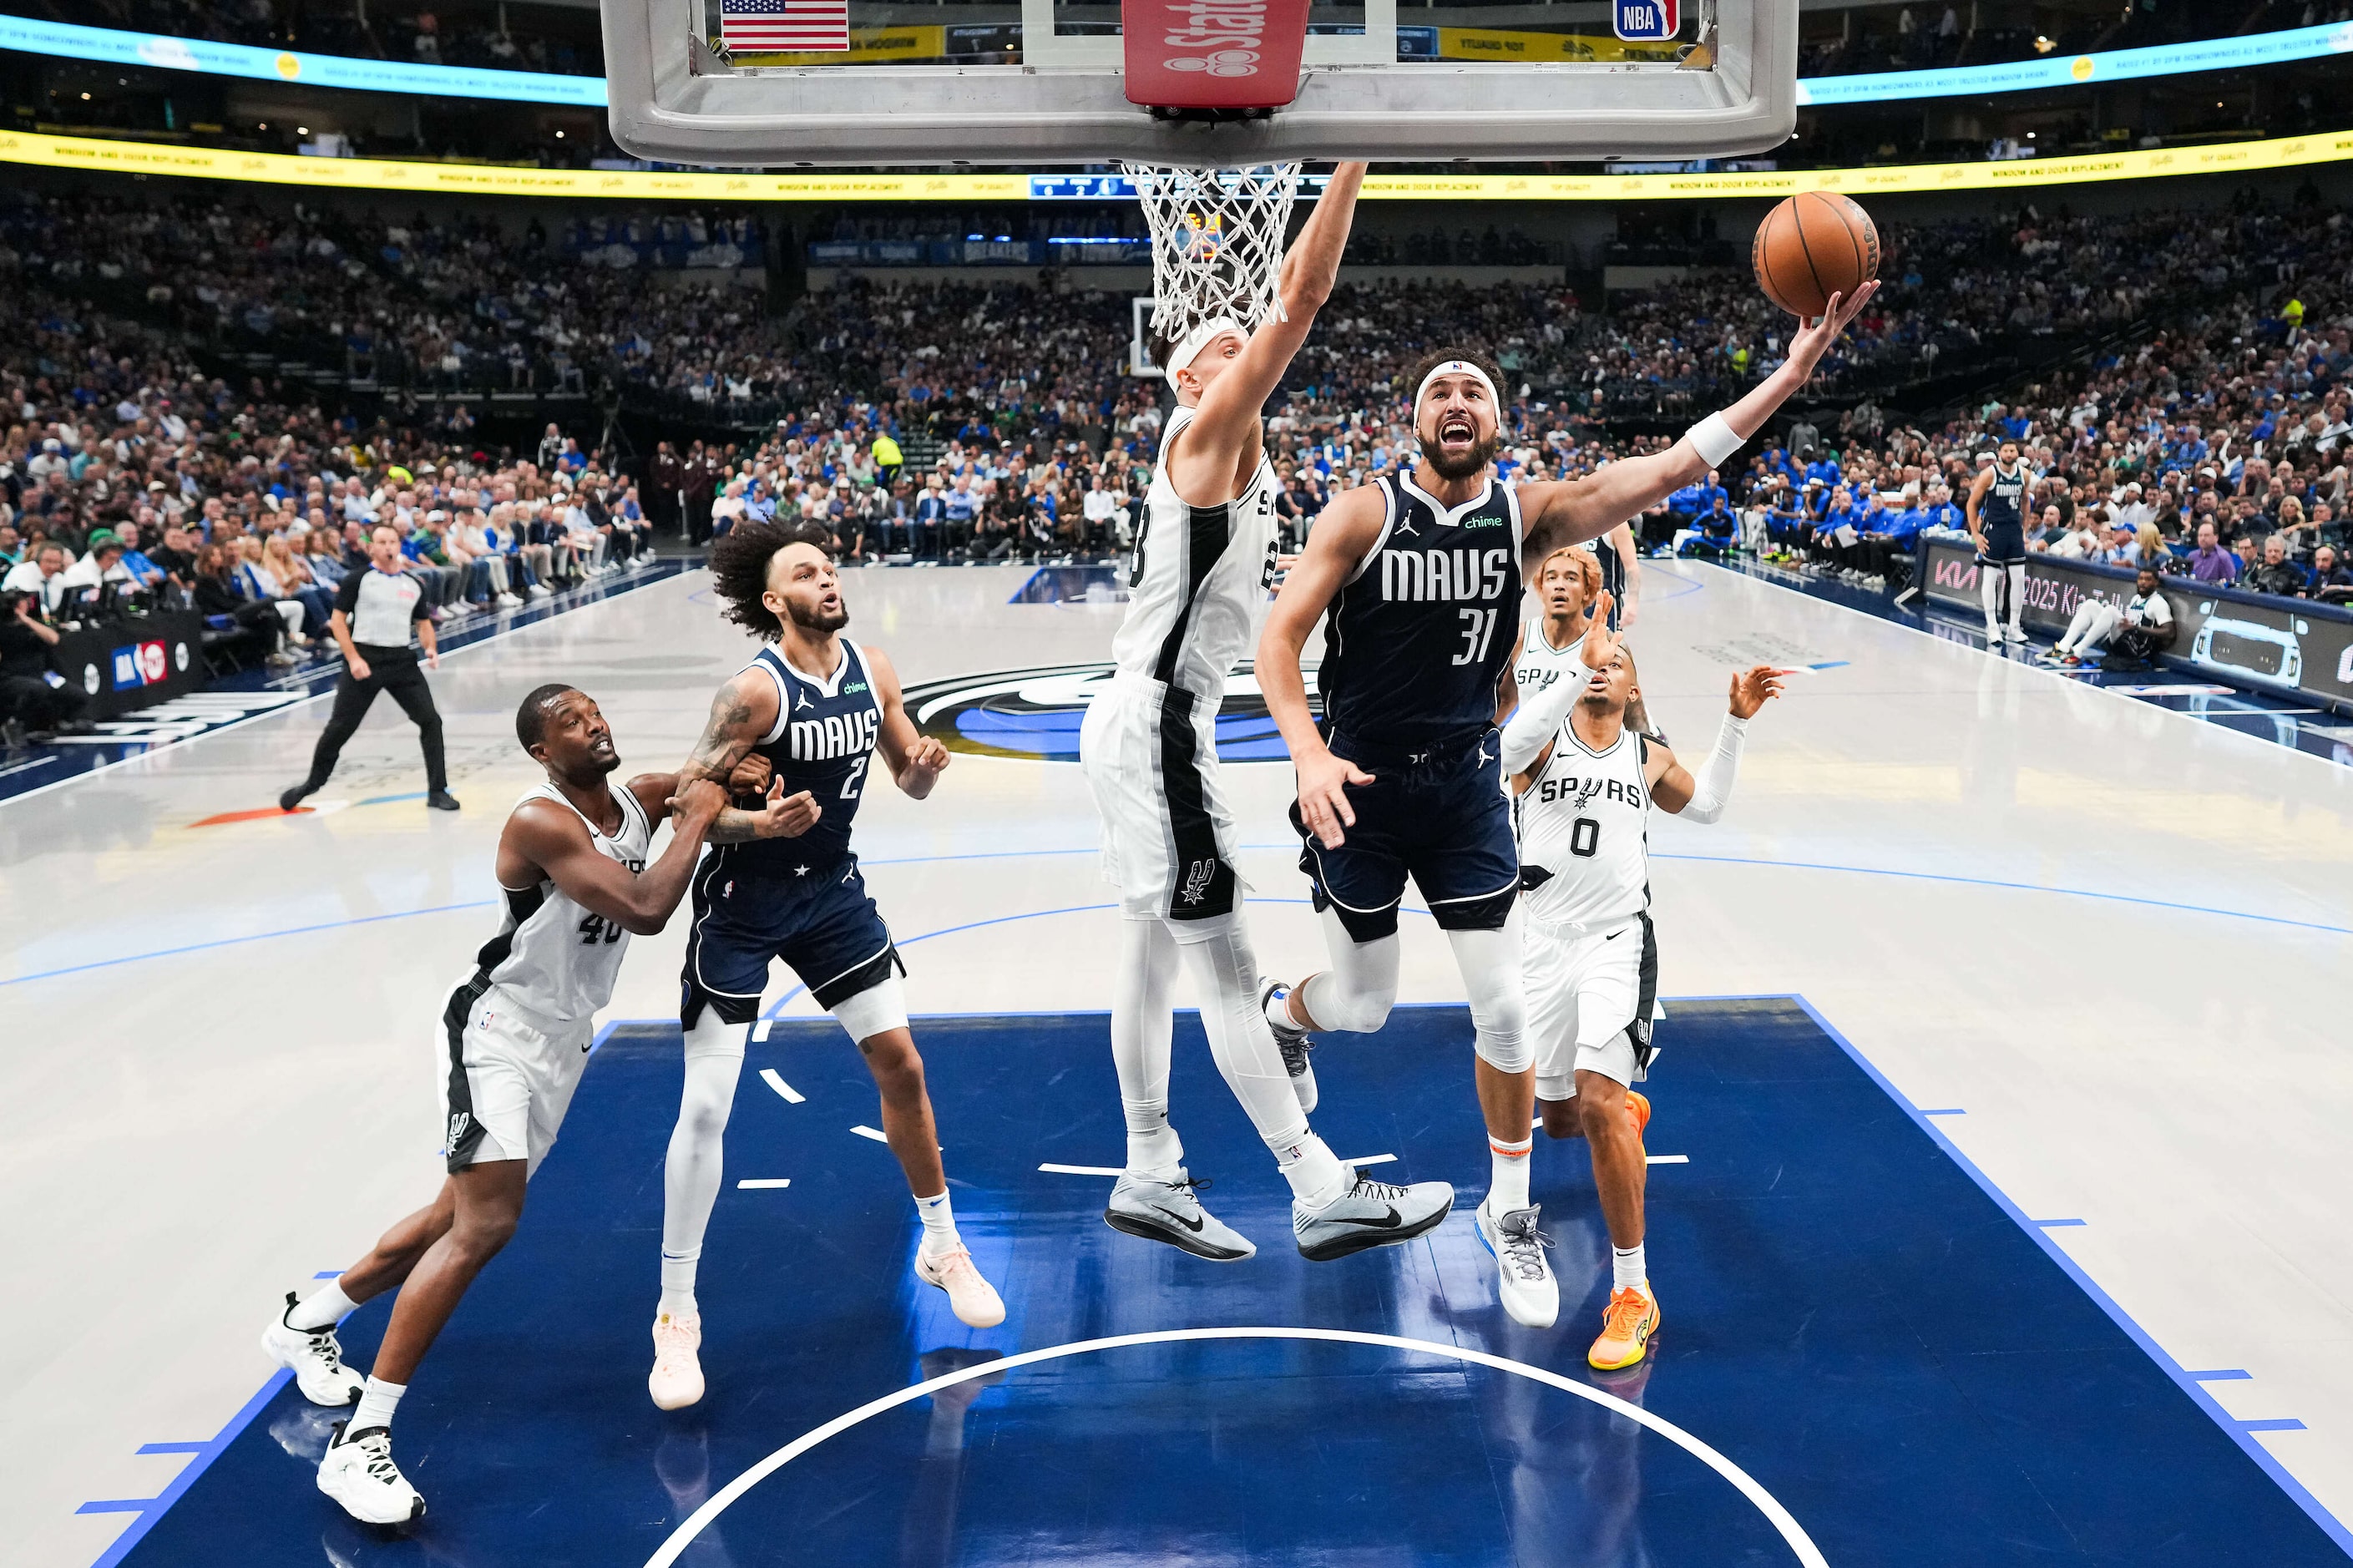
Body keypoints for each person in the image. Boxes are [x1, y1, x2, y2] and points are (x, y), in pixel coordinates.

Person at [1257, 280, 1874, 1327]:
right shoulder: (1366, 511)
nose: (1457, 401)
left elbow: (1675, 465)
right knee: (1363, 1005)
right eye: (1439, 390)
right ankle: (1285, 1013)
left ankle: (1506, 1216)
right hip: (1355, 781)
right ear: (1413, 420)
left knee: (1500, 1011)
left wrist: (1793, 373)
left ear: (1499, 424)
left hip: (1460, 787)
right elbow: (1278, 640)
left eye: (1476, 392)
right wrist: (1308, 753)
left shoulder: (1529, 514)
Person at [1077, 162, 1449, 1265]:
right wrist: (1347, 160)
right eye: (1217, 352)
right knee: (1224, 968)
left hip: (1139, 720)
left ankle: (1148, 1167)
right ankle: (1317, 1184)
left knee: (1146, 955)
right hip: (1154, 727)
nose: (1239, 355)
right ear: (1188, 378)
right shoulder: (1203, 436)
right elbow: (1298, 299)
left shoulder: (1225, 456)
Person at [263, 686, 727, 1525]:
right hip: (496, 1032)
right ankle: (359, 1443)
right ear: (543, 752)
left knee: (453, 1215)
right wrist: (701, 816)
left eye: (596, 709)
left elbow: (708, 782)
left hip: (562, 1042)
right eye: (572, 722)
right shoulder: (540, 821)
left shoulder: (640, 798)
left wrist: (752, 799)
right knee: (487, 1225)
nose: (595, 721)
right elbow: (649, 907)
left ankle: (308, 1320)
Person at [650, 517, 1004, 1412]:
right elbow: (689, 805)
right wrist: (757, 824)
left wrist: (925, 763)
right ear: (776, 601)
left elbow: (907, 778)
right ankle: (676, 1311)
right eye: (807, 573)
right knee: (705, 1105)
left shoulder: (874, 669)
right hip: (743, 910)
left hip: (833, 898)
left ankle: (940, 1244)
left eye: (830, 566)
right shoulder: (751, 695)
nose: (828, 578)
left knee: (903, 1065)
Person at [1498, 605, 1784, 1369]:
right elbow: (1504, 746)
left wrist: (1735, 723)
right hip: (1541, 946)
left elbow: (1713, 806)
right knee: (1563, 1121)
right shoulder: (1539, 745)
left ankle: (1633, 1293)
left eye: (1617, 661)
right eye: (1595, 658)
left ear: (1631, 691)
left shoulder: (1643, 756)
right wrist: (1567, 668)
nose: (1602, 665)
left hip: (1617, 945)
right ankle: (1625, 1111)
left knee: (1593, 1105)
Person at [279, 525, 458, 813]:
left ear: (399, 546)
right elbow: (337, 622)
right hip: (364, 659)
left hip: (402, 661)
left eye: (392, 541)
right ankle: (312, 783)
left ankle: (437, 791)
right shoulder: (358, 579)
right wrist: (353, 659)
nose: (388, 547)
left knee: (430, 721)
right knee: (340, 727)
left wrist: (430, 648)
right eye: (381, 542)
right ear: (371, 548)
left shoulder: (413, 584)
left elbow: (423, 623)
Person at [1966, 441, 2032, 646]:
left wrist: (2026, 528)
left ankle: (2013, 626)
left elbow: (2026, 500)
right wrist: (1976, 534)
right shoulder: (1989, 474)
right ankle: (1992, 625)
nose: (2009, 453)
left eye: (2013, 450)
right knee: (1991, 577)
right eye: (2006, 450)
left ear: (2017, 453)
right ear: (1999, 453)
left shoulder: (2025, 474)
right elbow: (1972, 504)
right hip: (1994, 529)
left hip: (2014, 530)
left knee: (2019, 578)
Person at [2043, 568, 2175, 669]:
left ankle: (2078, 652)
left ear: (2156, 582)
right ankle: (2063, 648)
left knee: (2111, 610)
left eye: (2148, 579)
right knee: (2090, 605)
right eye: (2140, 578)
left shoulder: (2158, 603)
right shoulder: (2136, 599)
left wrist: (2136, 627)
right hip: (2124, 643)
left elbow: (2169, 632)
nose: (2143, 582)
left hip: (2138, 650)